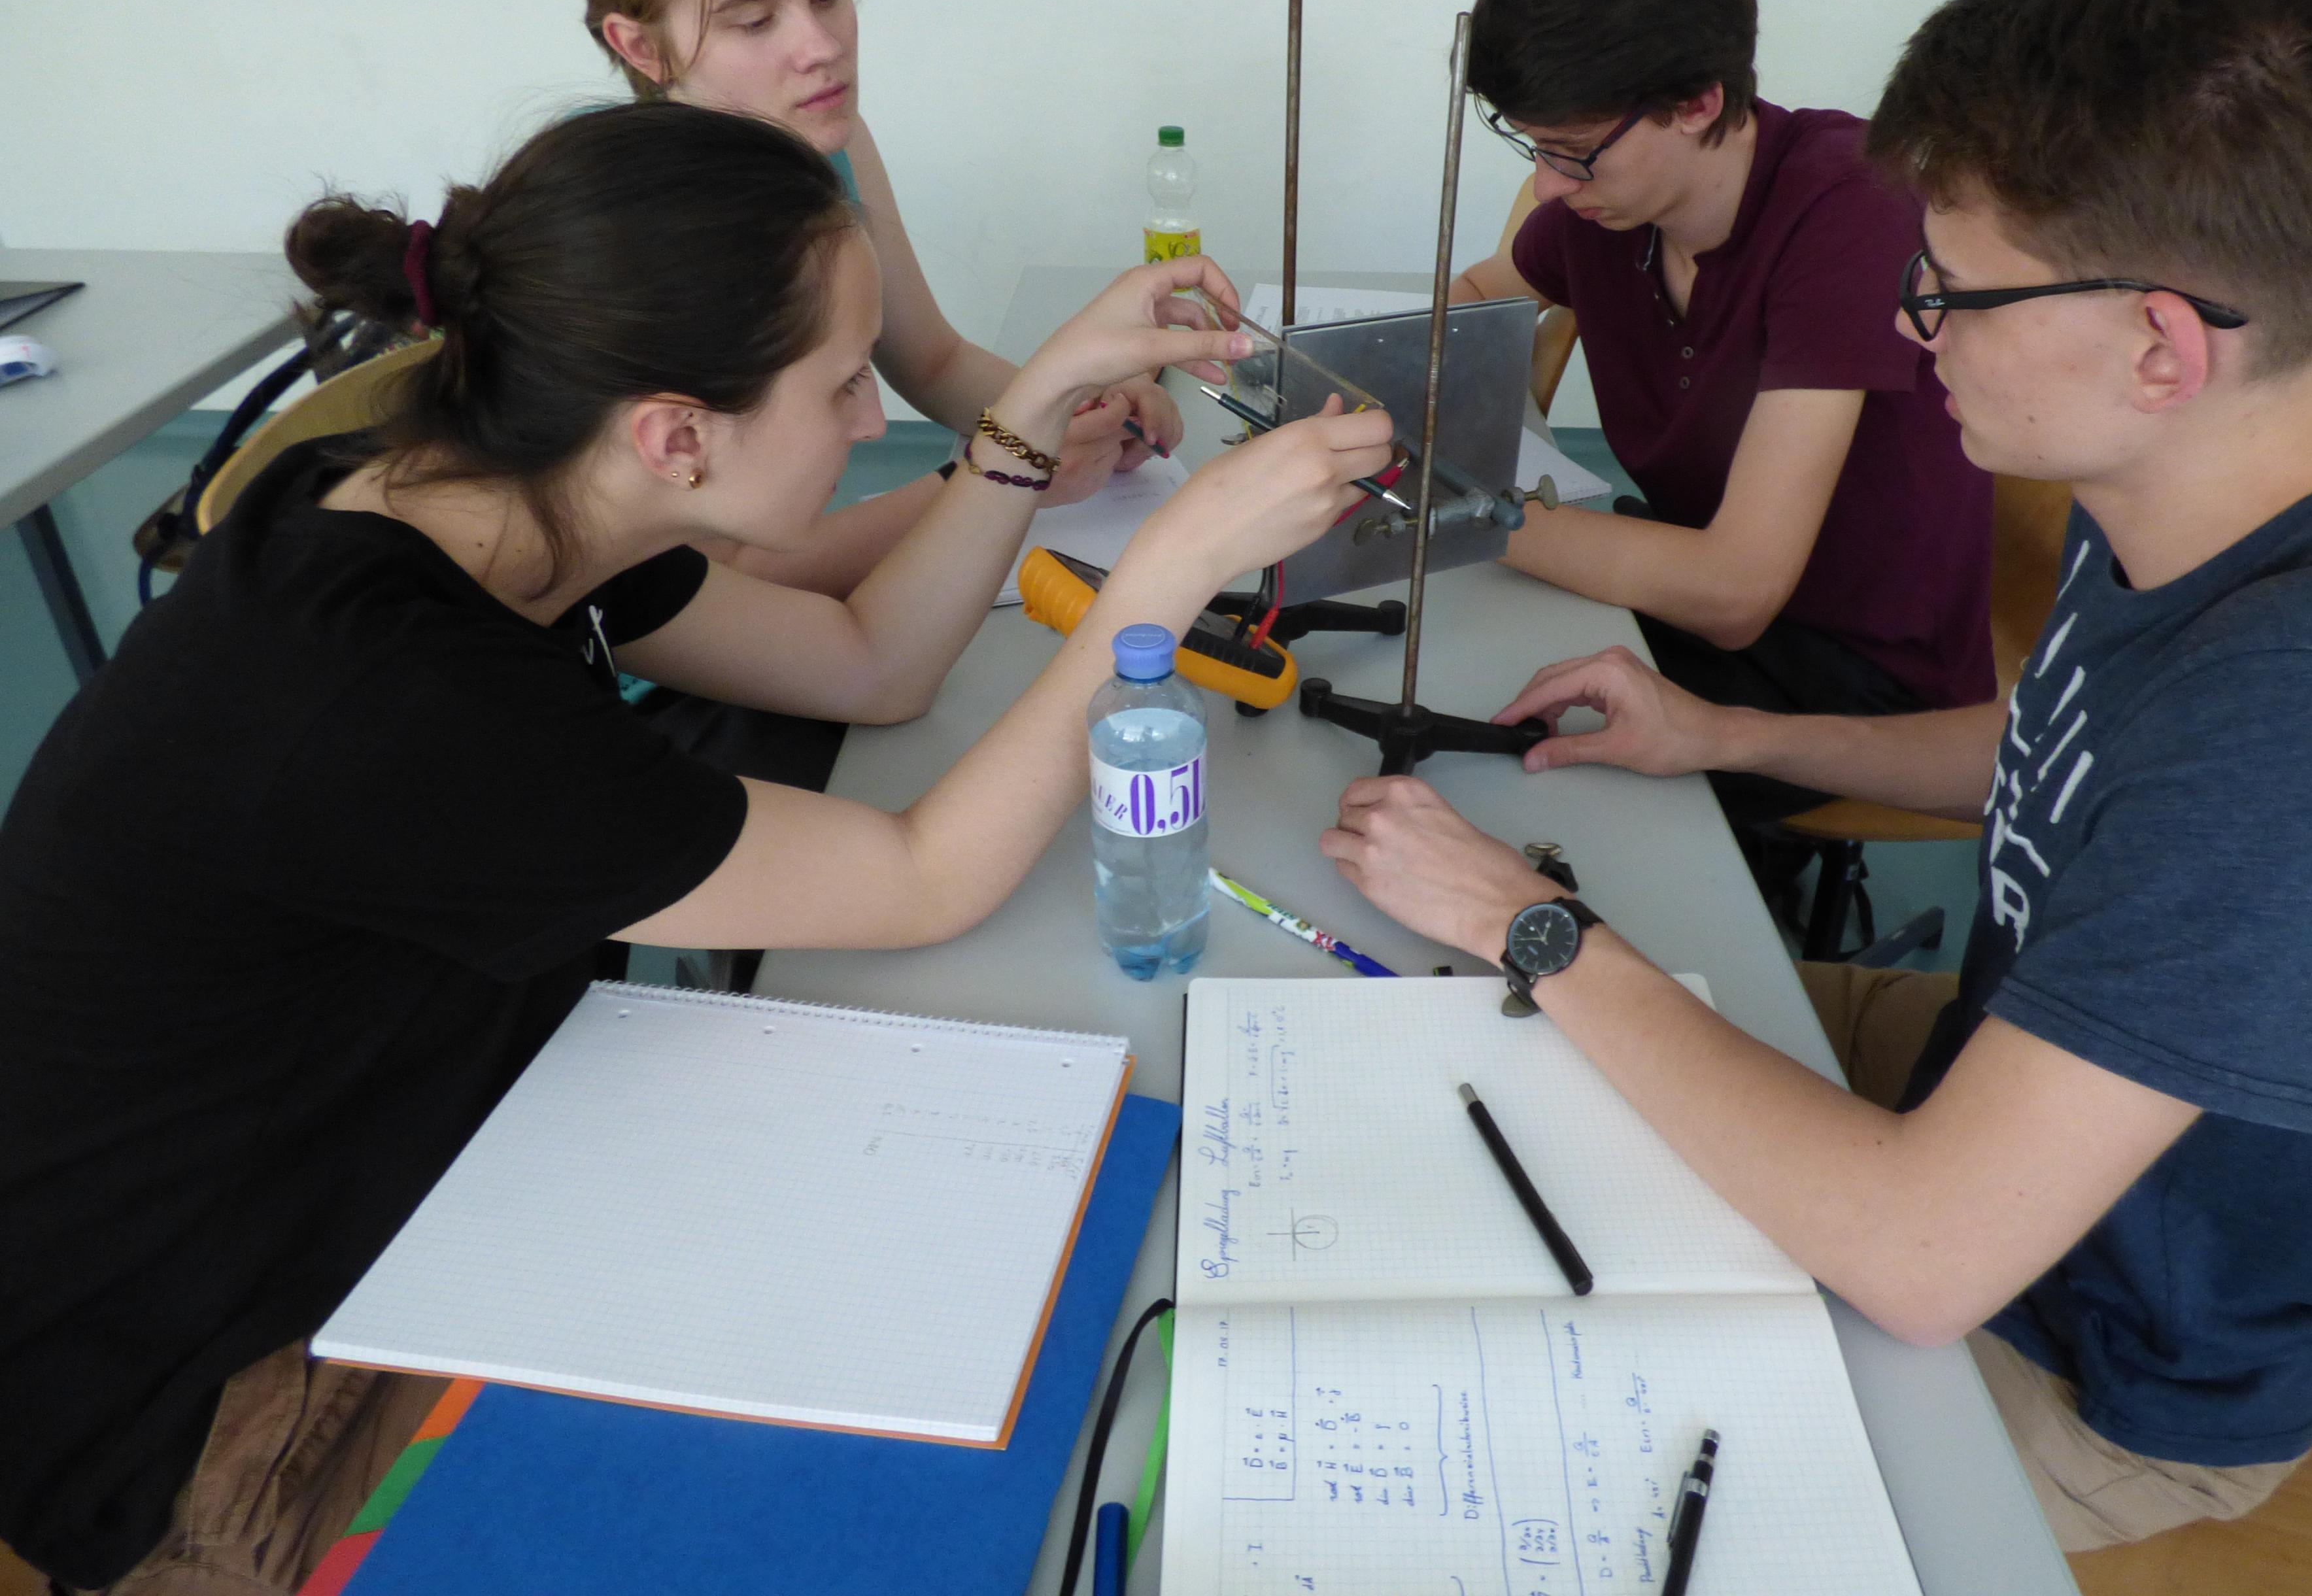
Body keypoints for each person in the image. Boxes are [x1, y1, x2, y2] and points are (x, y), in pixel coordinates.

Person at [0, 102, 1390, 1595]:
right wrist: (1166, 574)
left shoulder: (496, 495)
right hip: (210, 1397)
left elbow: (869, 663)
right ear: (674, 435)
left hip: (406, 1181)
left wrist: (1044, 390)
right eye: (842, 383)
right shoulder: (400, 703)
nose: (869, 418)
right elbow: (925, 874)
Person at [1321, 0, 2312, 1552]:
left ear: (2157, 346)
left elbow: (1918, 1253)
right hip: (1977, 1104)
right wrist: (1724, 736)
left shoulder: (2310, 728)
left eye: (1953, 290)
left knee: (1482, 1472)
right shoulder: (2198, 507)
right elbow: (2052, 750)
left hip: (2083, 1356)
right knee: (1427, 1081)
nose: (1910, 326)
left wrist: (1530, 920)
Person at [1447, 0, 1994, 855]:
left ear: (1698, 103)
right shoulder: (1610, 210)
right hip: (1684, 580)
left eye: (1573, 153)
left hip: (1846, 670)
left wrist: (1445, 505)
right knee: (1466, 664)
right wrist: (1349, 377)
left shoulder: (1847, 212)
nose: (1548, 186)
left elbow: (1736, 593)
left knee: (1500, 763)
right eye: (1533, 148)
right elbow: (1484, 297)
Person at [546, 0, 1180, 600]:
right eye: (754, 21)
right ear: (642, 47)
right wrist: (1005, 471)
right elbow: (710, 591)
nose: (820, 48)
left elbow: (934, 361)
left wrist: (1076, 408)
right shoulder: (626, 238)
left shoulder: (827, 139)